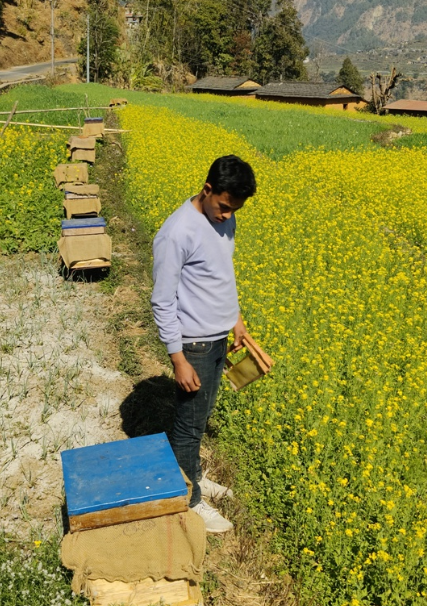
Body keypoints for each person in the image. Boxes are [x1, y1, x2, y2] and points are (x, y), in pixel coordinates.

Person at [151, 155, 257, 534]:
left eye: (234, 210)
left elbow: (221, 275)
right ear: (207, 189)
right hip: (193, 344)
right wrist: (177, 358)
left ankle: (194, 475)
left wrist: (236, 321)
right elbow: (162, 301)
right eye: (224, 207)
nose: (228, 216)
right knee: (188, 426)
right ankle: (190, 501)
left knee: (202, 414)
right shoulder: (177, 232)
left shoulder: (223, 220)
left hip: (218, 339)